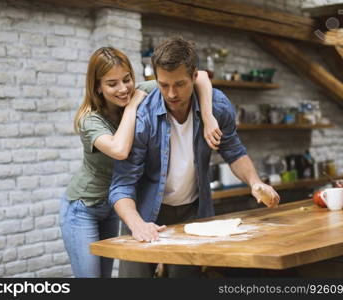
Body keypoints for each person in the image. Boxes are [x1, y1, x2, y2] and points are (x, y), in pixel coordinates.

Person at [109, 37, 280, 278]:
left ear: (194, 76)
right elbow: (122, 184)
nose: (171, 93)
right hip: (143, 212)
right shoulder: (143, 118)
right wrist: (137, 225)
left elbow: (234, 151)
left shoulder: (217, 107)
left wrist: (255, 182)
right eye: (163, 84)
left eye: (179, 84)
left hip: (192, 212)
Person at [59, 46, 221, 278]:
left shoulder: (142, 90)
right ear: (98, 86)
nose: (124, 89)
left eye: (127, 79)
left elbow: (201, 77)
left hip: (115, 205)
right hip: (84, 207)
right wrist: (133, 106)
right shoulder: (90, 120)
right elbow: (120, 149)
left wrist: (207, 115)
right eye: (112, 83)